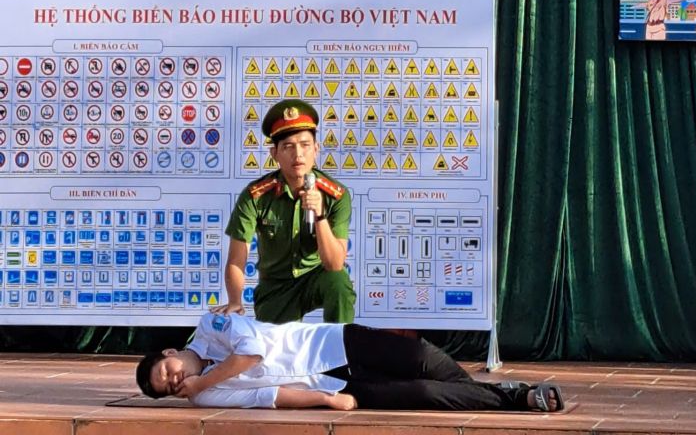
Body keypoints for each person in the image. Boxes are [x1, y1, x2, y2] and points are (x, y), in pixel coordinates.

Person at [135, 311, 565, 413]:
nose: (175, 380)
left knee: (422, 358)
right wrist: (325, 401)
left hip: (334, 344)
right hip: (334, 385)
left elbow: (252, 353)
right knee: (424, 393)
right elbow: (268, 396)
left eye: (167, 372)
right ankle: (519, 398)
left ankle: (496, 394)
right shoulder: (205, 398)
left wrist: (205, 382)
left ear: (171, 354)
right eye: (168, 388)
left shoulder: (210, 326)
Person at [223, 101, 355, 323]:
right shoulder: (256, 196)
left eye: (305, 145)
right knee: (274, 344)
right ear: (274, 153)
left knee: (339, 283)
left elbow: (334, 264)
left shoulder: (337, 195)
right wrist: (235, 300)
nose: (298, 155)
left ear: (316, 149)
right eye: (288, 147)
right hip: (276, 286)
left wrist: (319, 215)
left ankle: (340, 343)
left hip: (316, 277)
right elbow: (236, 259)